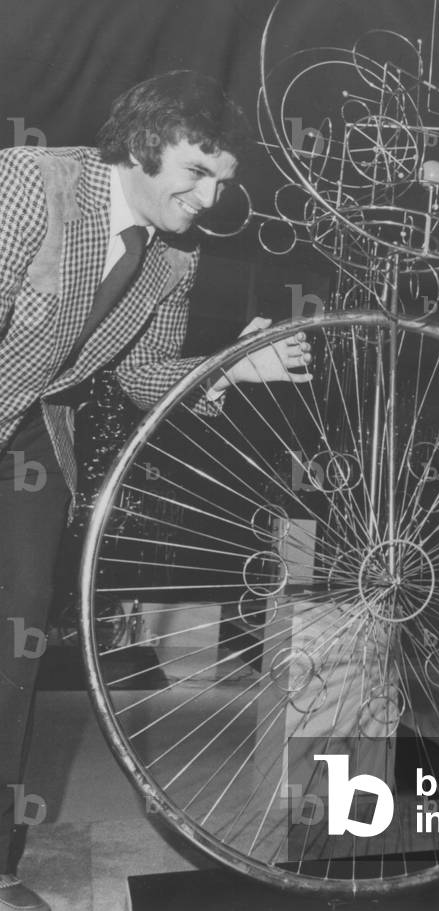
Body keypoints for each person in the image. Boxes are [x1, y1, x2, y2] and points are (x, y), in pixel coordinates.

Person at [0, 70, 311, 911]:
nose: (210, 199)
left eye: (223, 182)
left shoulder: (174, 253)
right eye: (196, 174)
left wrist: (235, 365)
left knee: (15, 637)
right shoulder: (34, 185)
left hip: (30, 440)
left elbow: (140, 374)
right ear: (142, 147)